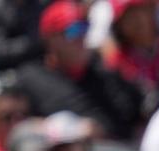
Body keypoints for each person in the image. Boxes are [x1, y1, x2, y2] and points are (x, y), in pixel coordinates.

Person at [17, 0, 146, 141]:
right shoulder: (31, 79)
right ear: (50, 39)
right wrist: (69, 129)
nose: (81, 38)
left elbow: (136, 110)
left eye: (85, 28)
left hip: (117, 150)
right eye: (73, 31)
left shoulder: (103, 72)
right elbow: (20, 127)